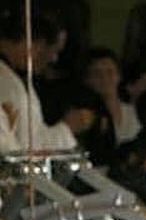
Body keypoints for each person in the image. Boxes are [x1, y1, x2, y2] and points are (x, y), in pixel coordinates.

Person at [0, 6, 93, 151]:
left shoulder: (16, 79)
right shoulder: (6, 83)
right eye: (54, 50)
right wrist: (68, 128)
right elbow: (28, 150)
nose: (53, 59)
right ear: (36, 44)